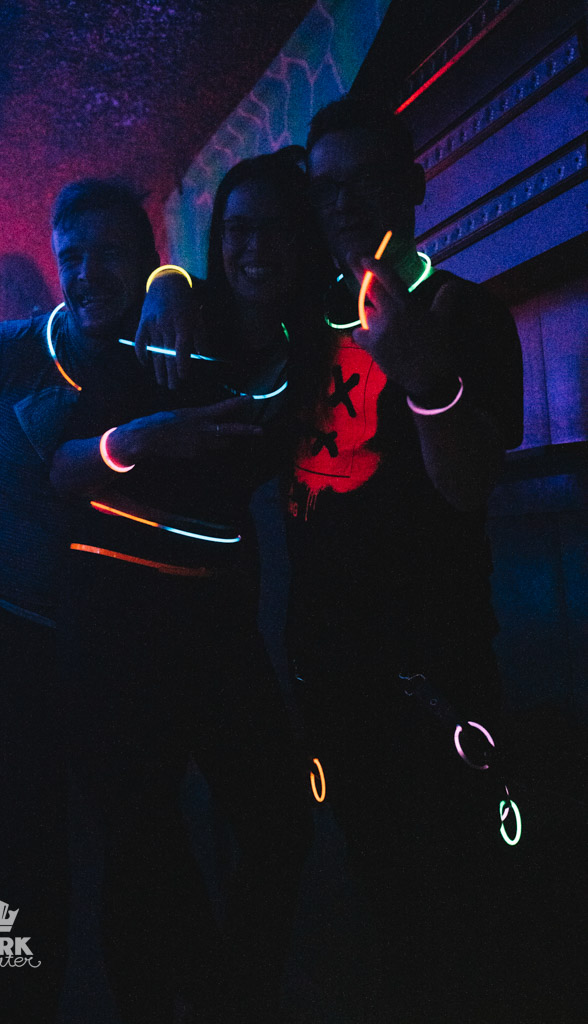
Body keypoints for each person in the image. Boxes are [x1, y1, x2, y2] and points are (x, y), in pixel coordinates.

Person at [0, 177, 262, 1024]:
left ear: (144, 259)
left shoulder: (160, 354)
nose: (88, 271)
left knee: (141, 855)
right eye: (73, 256)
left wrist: (174, 285)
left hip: (112, 646)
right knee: (4, 876)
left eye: (110, 254)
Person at [49, 154, 322, 1023]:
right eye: (237, 230)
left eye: (273, 229)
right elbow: (61, 469)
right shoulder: (169, 318)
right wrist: (146, 435)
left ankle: (229, 996)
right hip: (118, 627)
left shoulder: (306, 341)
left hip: (215, 624)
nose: (254, 247)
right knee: (143, 851)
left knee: (277, 823)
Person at [285, 92, 524, 1022]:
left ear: (413, 185)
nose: (342, 204)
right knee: (378, 909)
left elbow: (468, 487)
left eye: (364, 181)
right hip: (330, 678)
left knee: (458, 919)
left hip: (437, 680)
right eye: (325, 188)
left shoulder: (465, 312)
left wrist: (421, 370)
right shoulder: (305, 327)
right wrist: (168, 285)